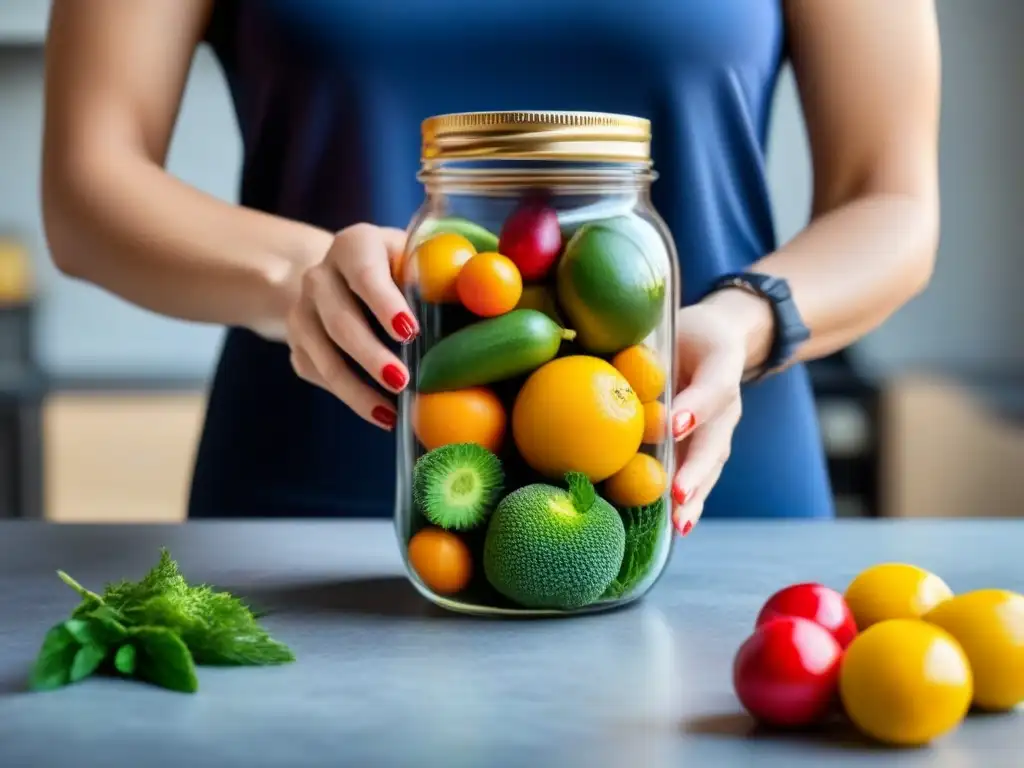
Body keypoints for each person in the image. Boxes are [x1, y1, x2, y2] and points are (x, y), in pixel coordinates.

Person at [40, 1, 941, 533]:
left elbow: (890, 199)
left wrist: (740, 323)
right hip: (318, 501)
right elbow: (90, 183)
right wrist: (307, 276)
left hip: (696, 481)